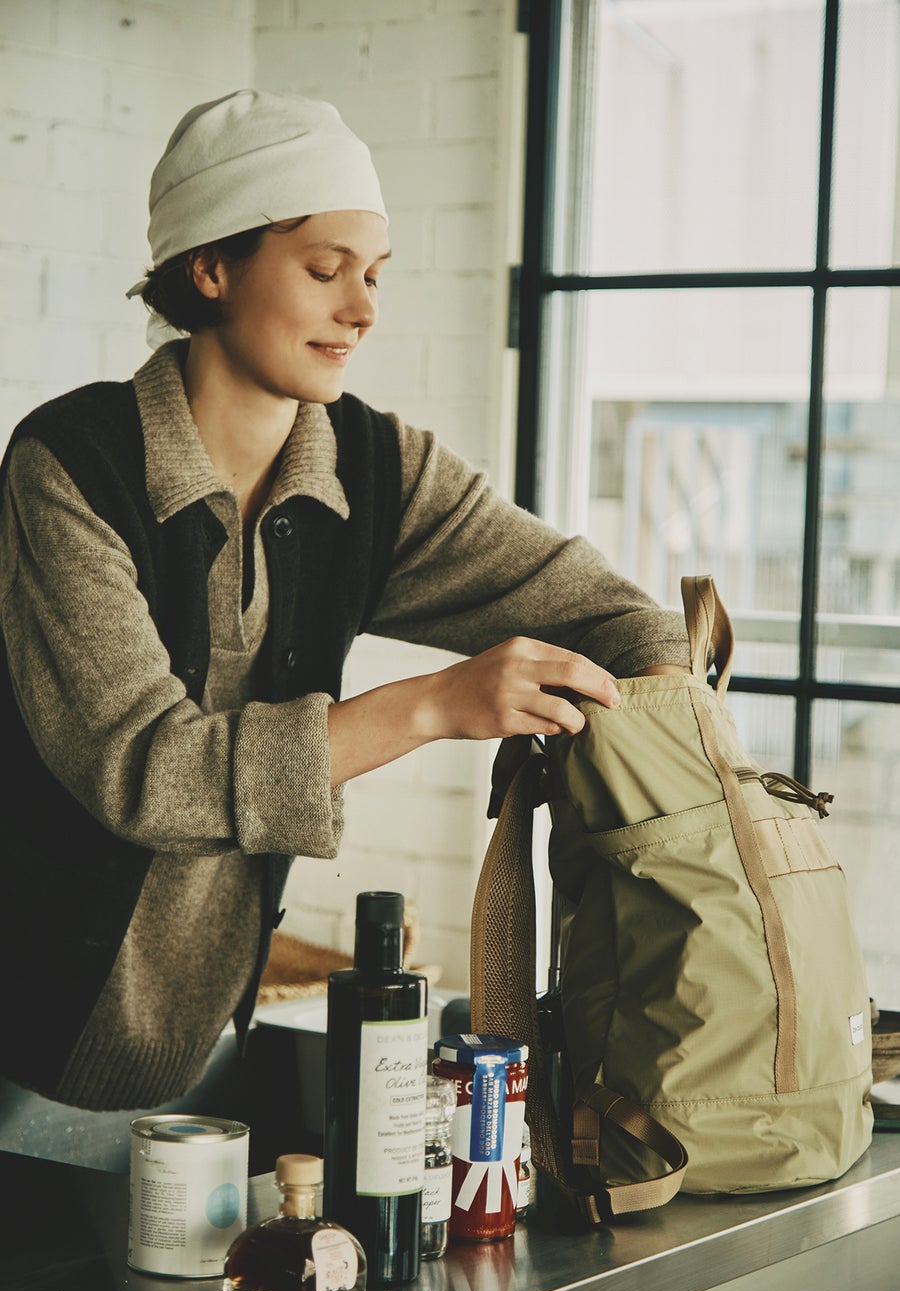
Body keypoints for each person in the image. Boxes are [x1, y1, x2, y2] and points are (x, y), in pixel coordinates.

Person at [0, 90, 690, 1112]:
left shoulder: (373, 469)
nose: (362, 310)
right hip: (26, 1035)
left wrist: (675, 725)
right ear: (211, 267)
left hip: (202, 1043)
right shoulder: (71, 467)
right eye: (325, 270)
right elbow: (146, 771)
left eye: (374, 275)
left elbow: (617, 617)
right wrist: (434, 705)